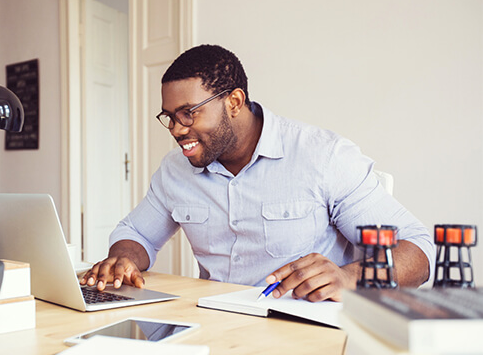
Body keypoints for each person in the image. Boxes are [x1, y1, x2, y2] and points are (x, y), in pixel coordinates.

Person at [80, 44, 435, 302]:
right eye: (170, 116)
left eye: (188, 113)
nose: (175, 128)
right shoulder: (175, 170)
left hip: (300, 330)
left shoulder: (323, 157)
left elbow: (418, 250)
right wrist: (124, 257)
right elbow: (136, 232)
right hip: (212, 323)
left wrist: (349, 277)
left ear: (234, 102)